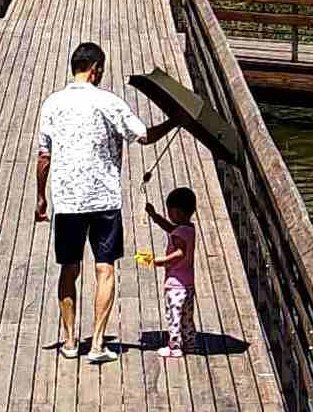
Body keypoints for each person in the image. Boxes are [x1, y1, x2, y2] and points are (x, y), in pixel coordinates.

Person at [32, 37, 153, 360]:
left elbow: (44, 157)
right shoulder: (109, 102)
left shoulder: (52, 103)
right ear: (96, 69)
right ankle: (98, 344)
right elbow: (143, 135)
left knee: (69, 269)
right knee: (105, 269)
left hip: (68, 200)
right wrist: (175, 122)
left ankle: (70, 342)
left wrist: (41, 197)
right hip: (104, 201)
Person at [149, 180, 200, 358]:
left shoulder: (180, 232)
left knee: (174, 317)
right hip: (188, 284)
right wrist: (155, 217)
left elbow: (180, 253)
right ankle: (190, 344)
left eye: (170, 211)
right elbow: (171, 229)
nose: (169, 214)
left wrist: (161, 261)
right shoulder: (189, 228)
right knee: (187, 317)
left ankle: (174, 347)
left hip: (175, 284)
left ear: (177, 212)